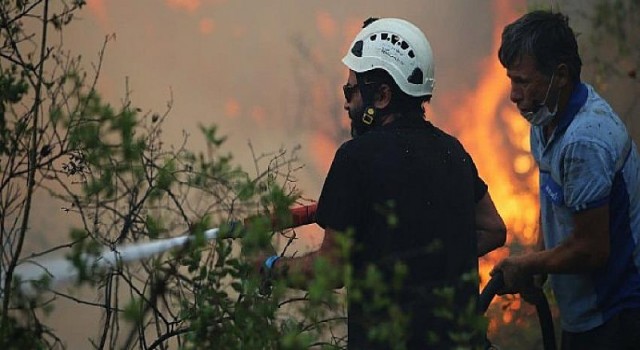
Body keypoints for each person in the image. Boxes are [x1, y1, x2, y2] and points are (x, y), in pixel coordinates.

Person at [256, 17, 506, 349]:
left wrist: (269, 265)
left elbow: (329, 271)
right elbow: (493, 229)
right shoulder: (453, 151)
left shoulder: (355, 158)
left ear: (383, 95)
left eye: (351, 90)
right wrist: (432, 261)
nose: (346, 102)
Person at [492, 10, 640, 350]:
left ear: (560, 75)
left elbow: (592, 250)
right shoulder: (544, 121)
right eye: (511, 80)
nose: (514, 94)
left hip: (617, 316)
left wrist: (527, 263)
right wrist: (540, 257)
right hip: (583, 315)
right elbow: (554, 200)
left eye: (523, 81)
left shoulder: (584, 141)